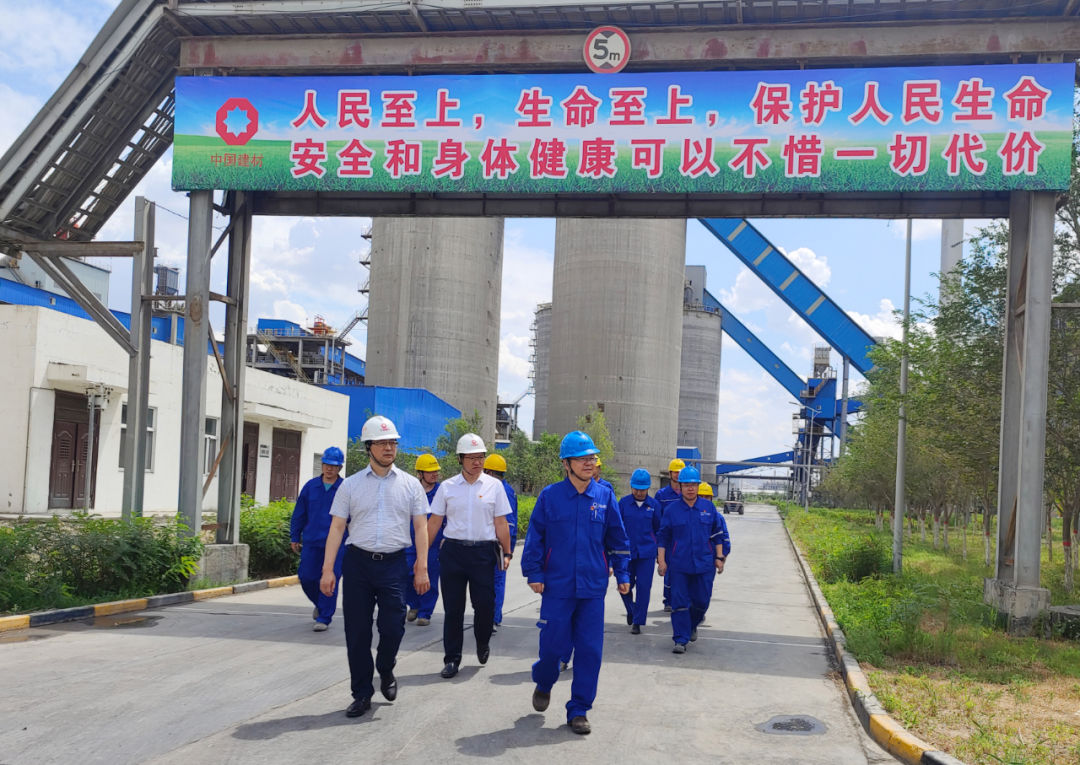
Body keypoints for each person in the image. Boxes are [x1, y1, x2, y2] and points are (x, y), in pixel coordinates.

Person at [320, 415, 430, 718]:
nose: (388, 448)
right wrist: (328, 570)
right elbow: (337, 528)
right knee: (356, 632)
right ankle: (361, 694)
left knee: (393, 626)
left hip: (394, 564)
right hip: (358, 564)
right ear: (368, 447)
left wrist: (421, 566)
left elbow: (421, 527)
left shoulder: (410, 485)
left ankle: (386, 666)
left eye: (392, 442)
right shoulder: (350, 486)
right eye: (382, 443)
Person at [521, 431, 631, 735]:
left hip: (592, 587)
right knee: (552, 648)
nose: (589, 462)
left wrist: (622, 573)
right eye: (582, 458)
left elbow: (618, 540)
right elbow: (535, 537)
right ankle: (544, 681)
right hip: (557, 586)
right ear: (566, 463)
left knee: (590, 651)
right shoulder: (550, 496)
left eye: (592, 457)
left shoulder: (604, 496)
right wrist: (534, 572)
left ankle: (579, 709)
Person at [427, 433, 514, 679]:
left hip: (483, 553)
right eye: (471, 457)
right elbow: (434, 522)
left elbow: (501, 522)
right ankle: (452, 659)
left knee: (484, 605)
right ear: (460, 459)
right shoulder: (447, 487)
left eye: (481, 457)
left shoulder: (494, 486)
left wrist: (507, 552)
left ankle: (482, 641)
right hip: (453, 553)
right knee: (453, 609)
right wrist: (421, 556)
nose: (477, 462)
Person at [656, 466, 731, 654]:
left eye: (694, 485)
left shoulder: (708, 508)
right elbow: (663, 537)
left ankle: (692, 625)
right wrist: (662, 561)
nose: (690, 488)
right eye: (686, 485)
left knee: (702, 601)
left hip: (704, 564)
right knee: (679, 602)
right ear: (680, 486)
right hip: (679, 564)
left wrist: (719, 557)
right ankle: (680, 639)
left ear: (698, 486)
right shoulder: (672, 510)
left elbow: (717, 535)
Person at [290, 446, 346, 632]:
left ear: (339, 468)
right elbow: (299, 513)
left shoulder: (345, 488)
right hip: (312, 541)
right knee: (306, 577)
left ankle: (324, 617)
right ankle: (320, 604)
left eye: (334, 466)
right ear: (322, 465)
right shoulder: (310, 487)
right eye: (327, 464)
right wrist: (294, 536)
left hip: (337, 545)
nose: (329, 469)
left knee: (330, 579)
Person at [618, 468, 661, 634]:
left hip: (646, 554)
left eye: (642, 489)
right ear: (631, 487)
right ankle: (631, 610)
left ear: (648, 488)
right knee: (624, 585)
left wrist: (659, 554)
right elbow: (616, 529)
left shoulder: (654, 506)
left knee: (643, 588)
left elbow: (659, 530)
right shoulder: (623, 504)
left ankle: (638, 622)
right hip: (626, 553)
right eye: (636, 489)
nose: (639, 492)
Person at [406, 453, 444, 627]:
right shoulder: (411, 490)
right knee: (406, 575)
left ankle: (425, 613)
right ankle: (413, 604)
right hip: (410, 542)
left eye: (436, 471)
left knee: (430, 577)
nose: (434, 474)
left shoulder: (442, 492)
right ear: (420, 474)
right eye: (430, 471)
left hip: (433, 544)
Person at [483, 453, 519, 632]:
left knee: (493, 582)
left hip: (494, 546)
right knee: (492, 582)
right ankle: (491, 617)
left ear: (489, 472)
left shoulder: (500, 491)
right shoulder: (507, 490)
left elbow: (508, 524)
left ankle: (491, 618)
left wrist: (506, 550)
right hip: (494, 545)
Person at [653, 458, 685, 611]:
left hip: (683, 538)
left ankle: (681, 600)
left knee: (683, 571)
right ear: (670, 473)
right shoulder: (662, 494)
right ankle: (668, 600)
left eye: (680, 472)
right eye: (675, 472)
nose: (677, 475)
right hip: (667, 539)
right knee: (668, 571)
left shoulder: (687, 493)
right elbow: (656, 519)